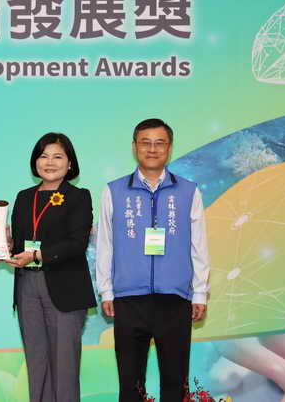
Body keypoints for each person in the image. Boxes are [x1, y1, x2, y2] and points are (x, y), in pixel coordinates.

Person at [96, 118, 210, 402]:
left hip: (175, 298)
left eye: (160, 143)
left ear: (169, 148)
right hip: (129, 299)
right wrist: (106, 290)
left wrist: (200, 292)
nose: (152, 149)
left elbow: (198, 245)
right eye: (145, 142)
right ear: (134, 147)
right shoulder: (113, 191)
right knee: (130, 384)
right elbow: (105, 244)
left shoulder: (189, 191)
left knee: (175, 381)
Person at [4, 132, 95, 402]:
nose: (50, 162)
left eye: (58, 156)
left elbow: (76, 243)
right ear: (35, 162)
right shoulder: (24, 197)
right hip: (27, 286)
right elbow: (19, 246)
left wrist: (36, 254)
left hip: (64, 287)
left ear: (70, 163)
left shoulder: (78, 197)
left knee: (64, 366)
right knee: (36, 363)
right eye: (44, 156)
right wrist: (7, 242)